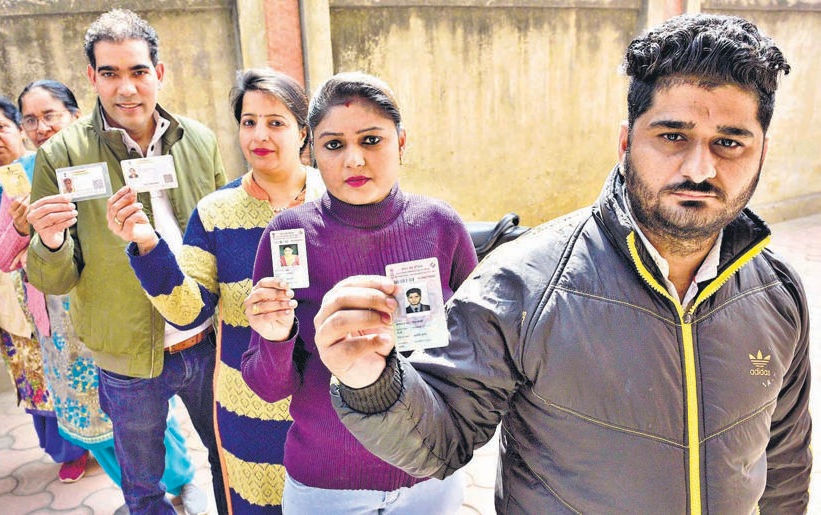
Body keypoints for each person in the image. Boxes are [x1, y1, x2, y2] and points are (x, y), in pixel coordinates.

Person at [314, 14, 811, 514]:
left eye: (729, 142)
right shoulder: (525, 284)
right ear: (625, 144)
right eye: (672, 136)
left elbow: (784, 464)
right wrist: (369, 381)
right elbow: (442, 438)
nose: (699, 168)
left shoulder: (777, 294)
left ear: (762, 150)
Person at [241, 72, 478, 514]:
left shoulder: (441, 227)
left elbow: (479, 353)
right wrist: (275, 337)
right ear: (312, 150)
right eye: (334, 145)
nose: (353, 160)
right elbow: (268, 388)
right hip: (325, 484)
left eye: (371, 140)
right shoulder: (288, 235)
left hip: (430, 476)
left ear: (401, 142)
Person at [25, 9, 227, 514]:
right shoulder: (62, 155)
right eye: (110, 73)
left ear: (159, 72)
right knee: (143, 487)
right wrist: (48, 242)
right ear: (92, 78)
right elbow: (56, 275)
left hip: (208, 340)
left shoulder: (198, 141)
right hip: (128, 358)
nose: (126, 88)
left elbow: (223, 237)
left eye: (138, 71)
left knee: (232, 460)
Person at [0, 79, 208, 513]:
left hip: (132, 318)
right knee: (106, 428)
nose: (39, 128)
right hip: (67, 330)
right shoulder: (18, 182)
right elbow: (2, 255)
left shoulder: (107, 162)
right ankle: (145, 494)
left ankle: (182, 482)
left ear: (75, 116)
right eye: (29, 120)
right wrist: (25, 229)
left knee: (151, 420)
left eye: (49, 115)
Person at [113, 67, 325, 513]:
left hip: (332, 401)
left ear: (303, 132)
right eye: (249, 122)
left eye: (276, 122)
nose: (259, 134)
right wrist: (148, 246)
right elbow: (188, 312)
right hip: (249, 406)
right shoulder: (214, 213)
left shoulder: (338, 199)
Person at [0, 96, 89, 481]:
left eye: (0, 126)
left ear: (19, 129)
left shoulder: (49, 168)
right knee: (40, 389)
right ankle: (69, 451)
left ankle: (103, 441)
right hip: (18, 316)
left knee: (86, 381)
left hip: (72, 300)